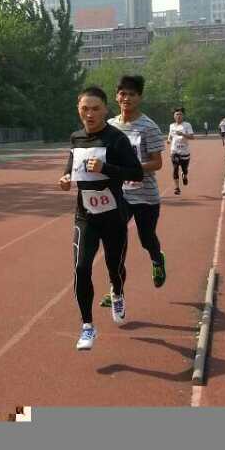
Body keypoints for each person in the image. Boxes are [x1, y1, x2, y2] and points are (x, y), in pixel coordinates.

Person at [59, 86, 143, 351]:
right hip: (85, 216)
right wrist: (65, 178)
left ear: (106, 109)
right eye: (85, 108)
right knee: (81, 268)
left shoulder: (116, 139)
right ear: (78, 110)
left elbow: (137, 173)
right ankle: (87, 325)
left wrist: (105, 168)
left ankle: (117, 292)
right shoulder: (76, 138)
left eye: (95, 109)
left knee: (113, 266)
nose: (90, 114)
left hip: (114, 216)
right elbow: (71, 168)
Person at [97, 75, 166, 309]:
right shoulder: (110, 126)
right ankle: (116, 291)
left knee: (146, 239)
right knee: (115, 244)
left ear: (140, 97)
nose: (126, 98)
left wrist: (131, 168)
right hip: (119, 195)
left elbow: (157, 163)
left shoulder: (149, 127)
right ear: (116, 97)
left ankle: (157, 258)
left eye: (132, 94)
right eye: (122, 94)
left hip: (145, 195)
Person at [167, 107, 195, 194]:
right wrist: (168, 140)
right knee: (175, 168)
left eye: (180, 114)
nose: (178, 116)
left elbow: (192, 137)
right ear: (174, 116)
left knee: (185, 169)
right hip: (174, 151)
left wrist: (183, 134)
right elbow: (170, 135)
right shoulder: (171, 126)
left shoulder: (187, 125)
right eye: (177, 114)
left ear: (183, 116)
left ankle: (184, 175)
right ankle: (177, 188)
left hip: (184, 152)